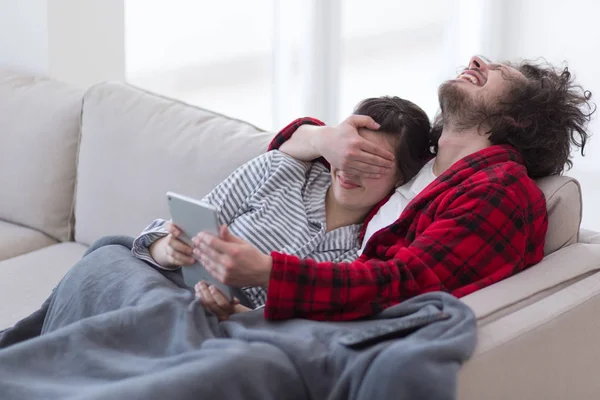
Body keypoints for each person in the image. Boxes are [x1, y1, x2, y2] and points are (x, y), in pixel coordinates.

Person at [192, 55, 595, 321]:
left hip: (336, 334)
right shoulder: (419, 165)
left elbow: (403, 284)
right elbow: (286, 152)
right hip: (289, 315)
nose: (475, 61)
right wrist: (321, 139)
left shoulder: (500, 191)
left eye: (498, 73)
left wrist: (268, 273)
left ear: (519, 120)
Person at [132, 96, 432, 320]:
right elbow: (169, 232)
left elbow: (301, 330)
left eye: (370, 163)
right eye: (350, 152)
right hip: (163, 284)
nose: (349, 169)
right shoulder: (280, 169)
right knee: (107, 257)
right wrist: (169, 249)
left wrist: (235, 313)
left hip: (216, 327)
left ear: (401, 178)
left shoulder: (366, 253)